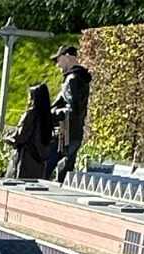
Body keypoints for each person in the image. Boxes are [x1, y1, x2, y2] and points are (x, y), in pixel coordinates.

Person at [49, 45, 90, 181]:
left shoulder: (71, 79)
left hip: (64, 132)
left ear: (67, 57)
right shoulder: (83, 78)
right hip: (76, 132)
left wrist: (53, 113)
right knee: (65, 171)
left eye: (58, 60)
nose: (58, 65)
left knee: (47, 169)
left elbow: (72, 110)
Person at [10, 82, 55, 180]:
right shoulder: (47, 116)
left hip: (26, 160)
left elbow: (20, 136)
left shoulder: (31, 114)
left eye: (30, 96)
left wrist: (7, 137)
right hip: (40, 162)